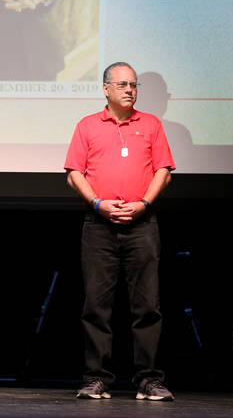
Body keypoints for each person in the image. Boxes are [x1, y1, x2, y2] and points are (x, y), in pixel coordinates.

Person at [64, 62, 175, 400]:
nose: (130, 90)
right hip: (99, 225)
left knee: (148, 307)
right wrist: (98, 203)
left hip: (141, 224)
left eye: (134, 84)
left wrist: (143, 203)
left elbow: (164, 171)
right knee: (97, 306)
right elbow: (74, 174)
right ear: (106, 89)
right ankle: (96, 378)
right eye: (123, 84)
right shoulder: (87, 126)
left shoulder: (151, 125)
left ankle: (149, 380)